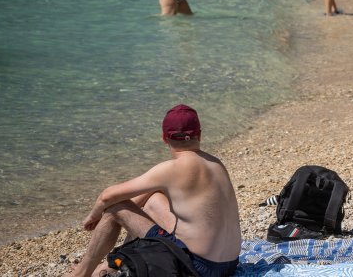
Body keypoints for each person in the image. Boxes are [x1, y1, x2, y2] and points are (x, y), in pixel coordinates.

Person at [65, 104, 241, 277]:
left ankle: (81, 273)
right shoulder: (216, 164)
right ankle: (112, 264)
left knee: (116, 208)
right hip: (229, 264)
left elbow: (107, 196)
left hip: (197, 267)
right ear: (200, 134)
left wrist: (94, 217)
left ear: (164, 138)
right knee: (152, 198)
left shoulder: (172, 169)